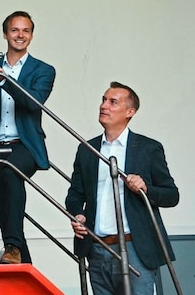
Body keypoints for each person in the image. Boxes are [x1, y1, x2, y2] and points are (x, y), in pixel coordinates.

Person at [65, 82, 178, 295]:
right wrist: (78, 214)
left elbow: (172, 195)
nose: (104, 106)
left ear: (130, 112)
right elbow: (75, 194)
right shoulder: (87, 149)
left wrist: (146, 188)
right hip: (97, 248)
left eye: (112, 102)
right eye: (103, 100)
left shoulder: (148, 148)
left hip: (136, 247)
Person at [0, 11, 55, 264]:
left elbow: (33, 103)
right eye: (15, 30)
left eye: (26, 31)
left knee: (8, 173)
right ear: (5, 34)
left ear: (31, 35)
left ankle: (13, 248)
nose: (20, 35)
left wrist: (4, 79)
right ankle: (16, 253)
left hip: (25, 146)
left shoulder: (43, 70)